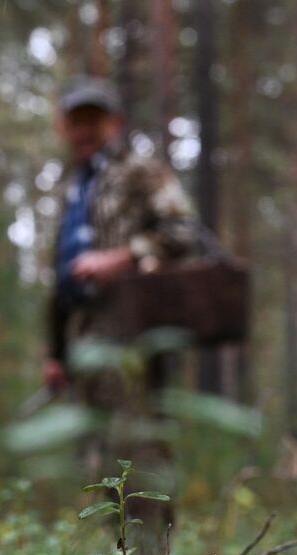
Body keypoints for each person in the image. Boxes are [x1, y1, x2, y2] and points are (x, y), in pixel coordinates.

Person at [44, 77, 197, 514]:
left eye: (94, 119)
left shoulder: (141, 173)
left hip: (133, 330)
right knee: (97, 454)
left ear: (115, 122)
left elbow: (183, 235)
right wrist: (55, 352)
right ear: (63, 127)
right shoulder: (73, 186)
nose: (85, 130)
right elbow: (61, 276)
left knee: (140, 447)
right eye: (76, 121)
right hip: (83, 336)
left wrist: (122, 257)